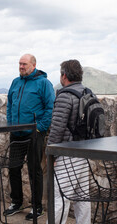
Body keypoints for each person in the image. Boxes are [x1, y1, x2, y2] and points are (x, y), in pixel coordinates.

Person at [5, 53, 55, 220]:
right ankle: (17, 202)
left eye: (24, 64)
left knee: (34, 171)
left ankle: (37, 207)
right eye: (19, 64)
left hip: (34, 134)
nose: (21, 67)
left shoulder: (44, 83)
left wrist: (39, 128)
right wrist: (11, 123)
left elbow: (50, 108)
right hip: (16, 134)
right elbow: (10, 104)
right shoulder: (15, 82)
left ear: (33, 65)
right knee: (13, 168)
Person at [47, 59, 91, 223]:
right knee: (82, 197)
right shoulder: (87, 92)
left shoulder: (65, 95)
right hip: (85, 151)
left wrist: (50, 154)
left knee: (59, 197)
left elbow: (57, 128)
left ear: (64, 75)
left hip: (67, 153)